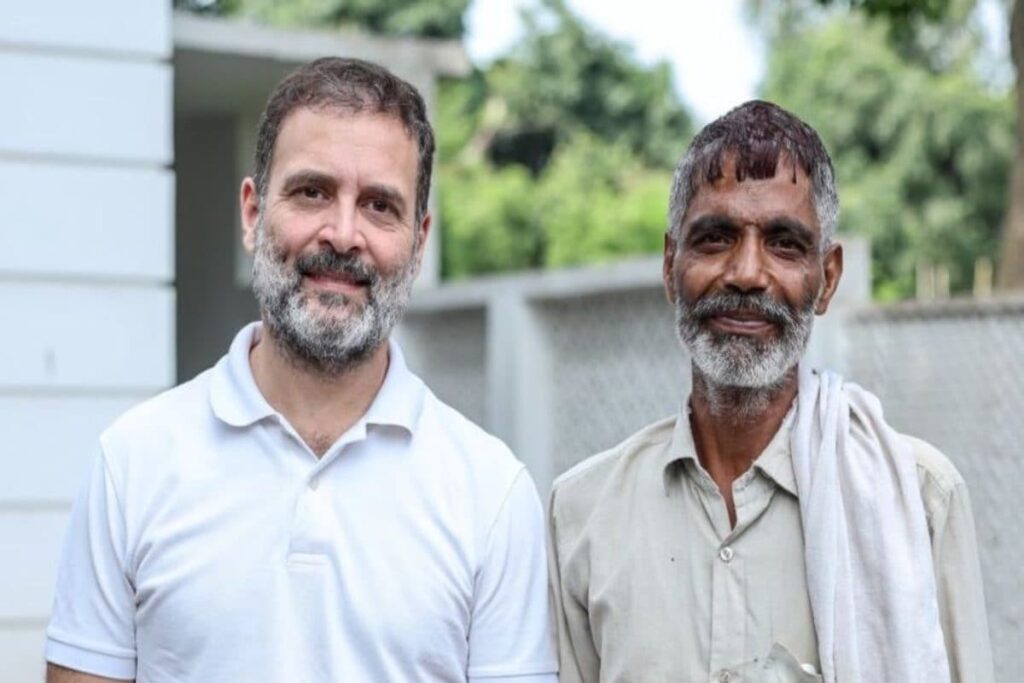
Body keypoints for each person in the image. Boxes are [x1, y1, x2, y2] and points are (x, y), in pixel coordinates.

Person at [45, 57, 557, 683]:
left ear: (419, 242)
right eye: (312, 191)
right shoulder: (132, 464)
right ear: (253, 213)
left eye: (378, 206)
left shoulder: (492, 495)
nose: (343, 235)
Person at [547, 100, 993, 683]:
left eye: (784, 243)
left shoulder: (919, 499)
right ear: (668, 266)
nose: (748, 272)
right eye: (715, 238)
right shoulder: (583, 513)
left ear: (826, 279)